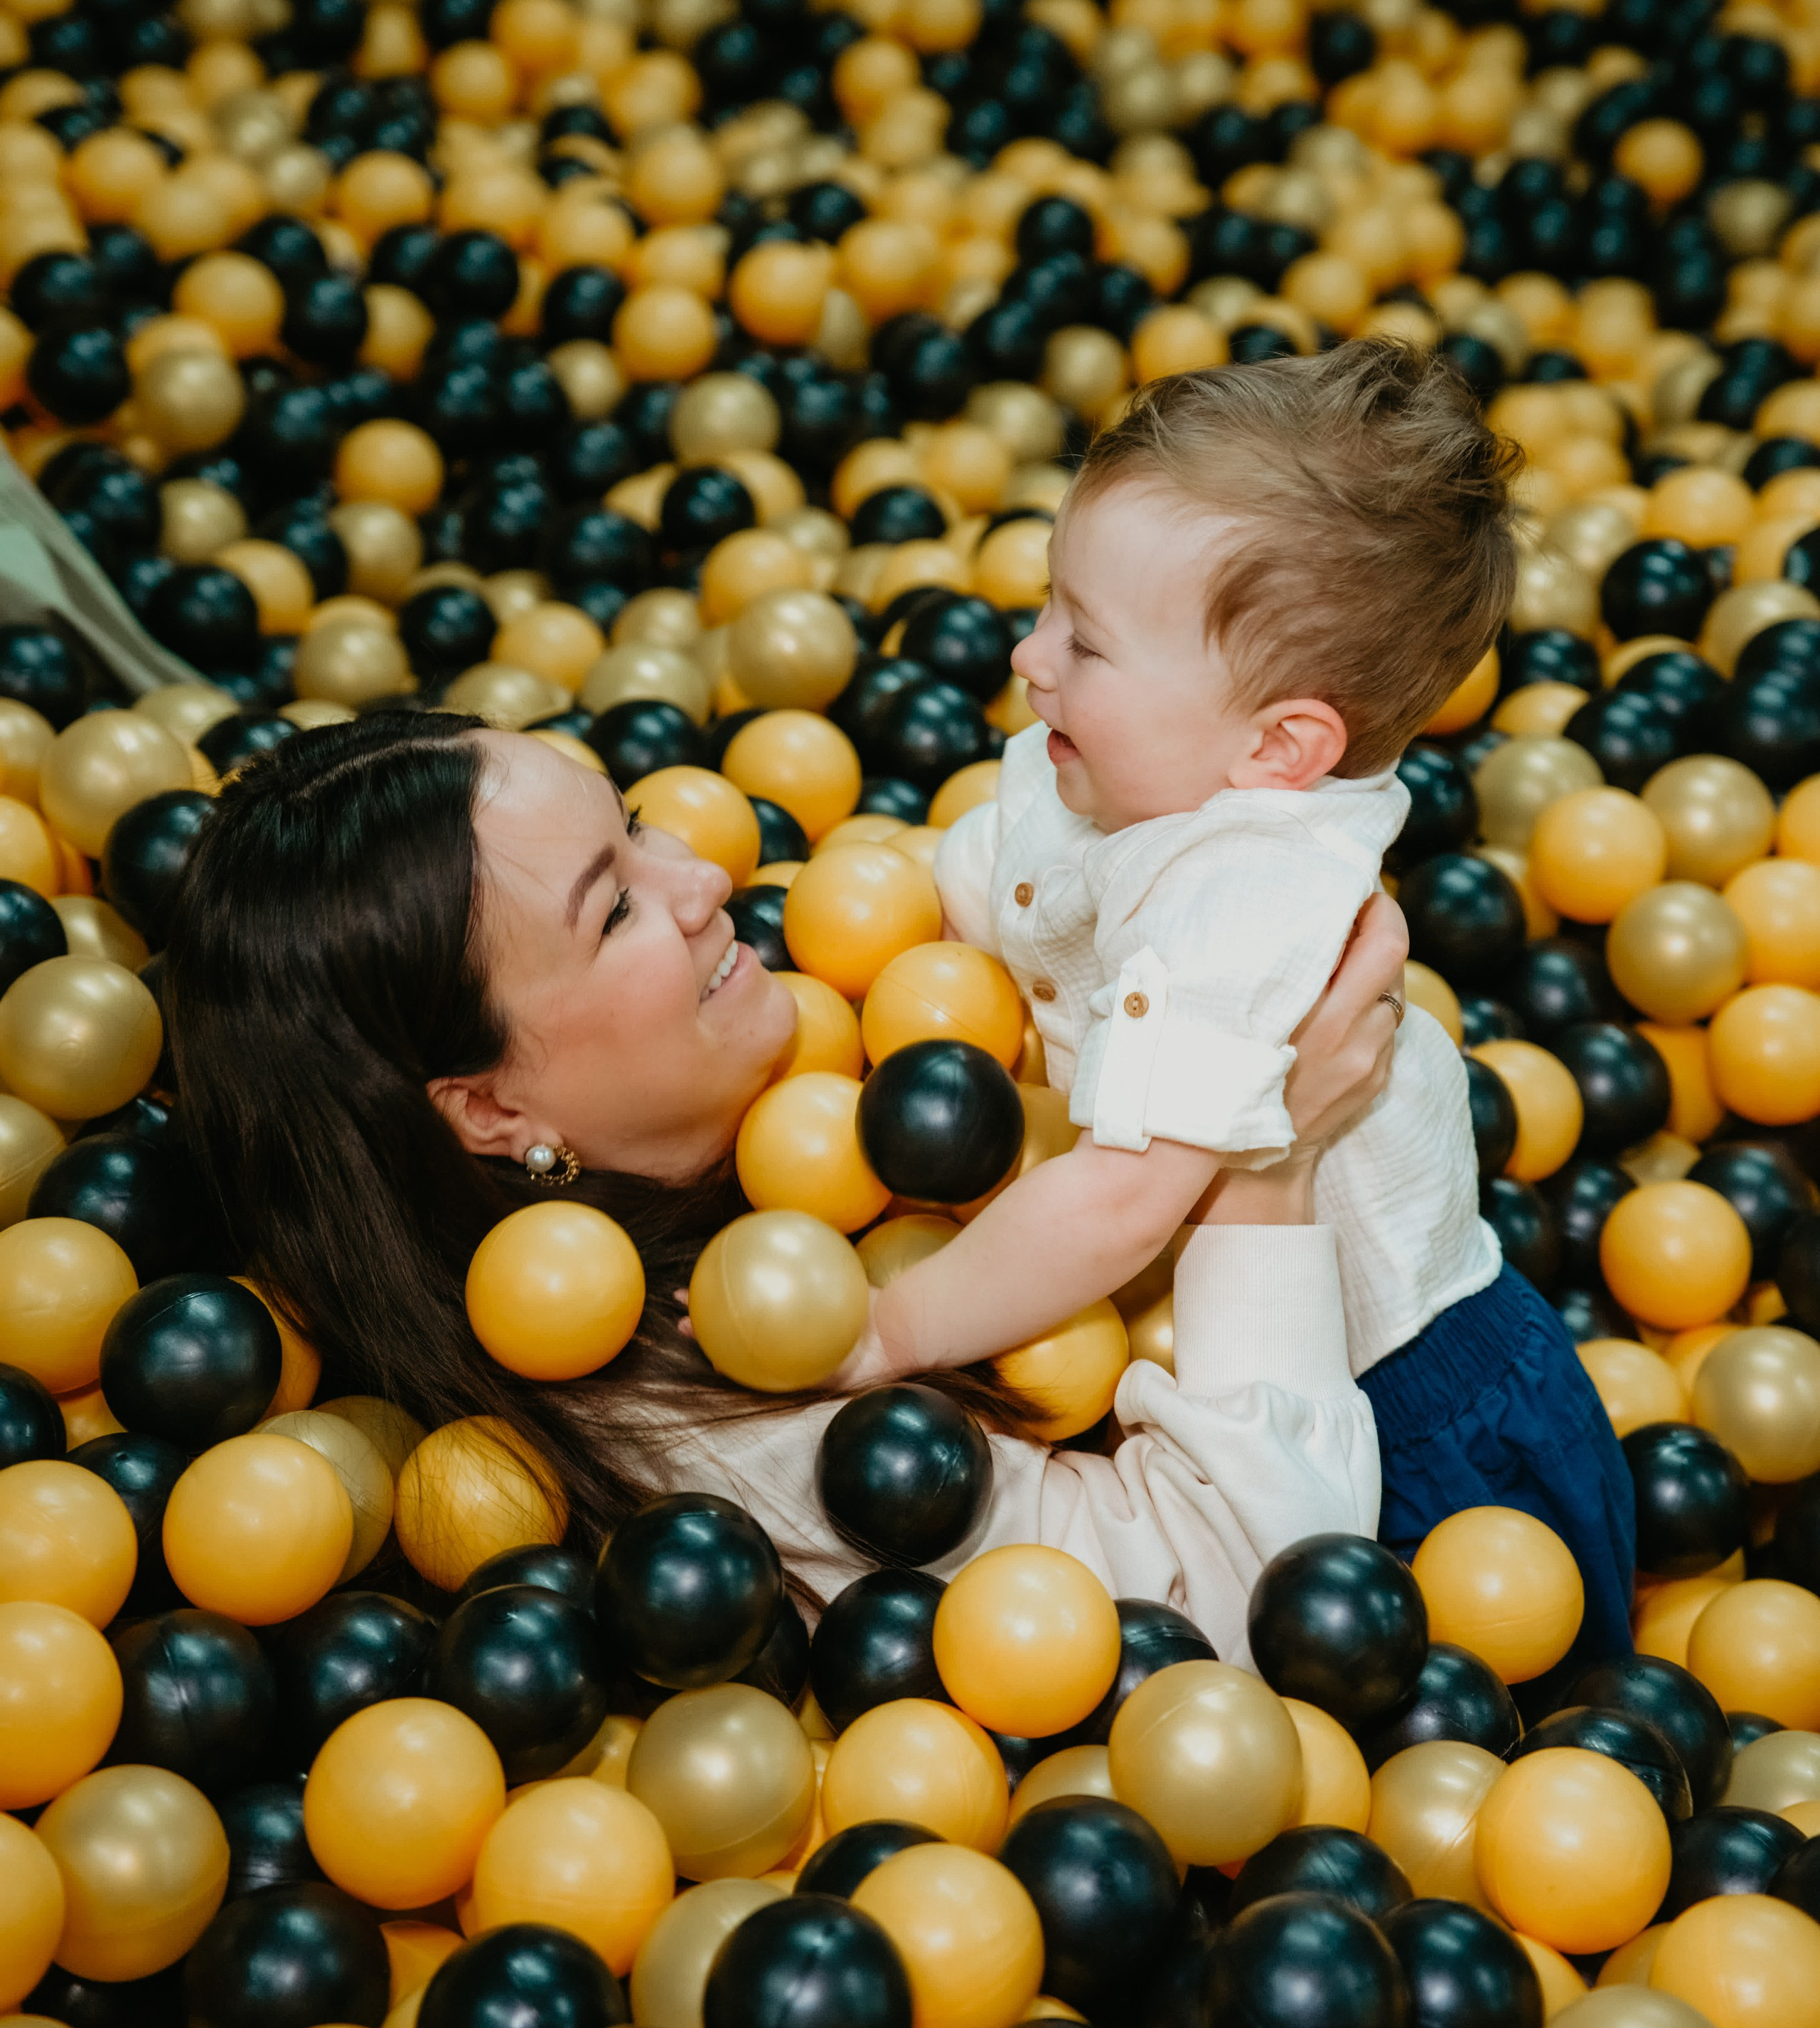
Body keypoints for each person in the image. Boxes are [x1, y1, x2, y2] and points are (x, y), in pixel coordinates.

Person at [165, 710, 1402, 1659]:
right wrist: (1259, 1159)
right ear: (493, 1109)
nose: (703, 880)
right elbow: (1258, 1611)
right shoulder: (704, 1410)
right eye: (613, 915)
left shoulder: (825, 1009)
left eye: (637, 824)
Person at [862, 341, 1634, 1663]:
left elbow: (1121, 1199)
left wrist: (888, 1331)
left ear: (1279, 747)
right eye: (1051, 602)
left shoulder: (1255, 892)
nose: (1026, 653)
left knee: (1473, 1693)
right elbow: (1019, 875)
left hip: (1412, 1405)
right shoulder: (1125, 753)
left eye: (1084, 641)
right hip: (1197, 1336)